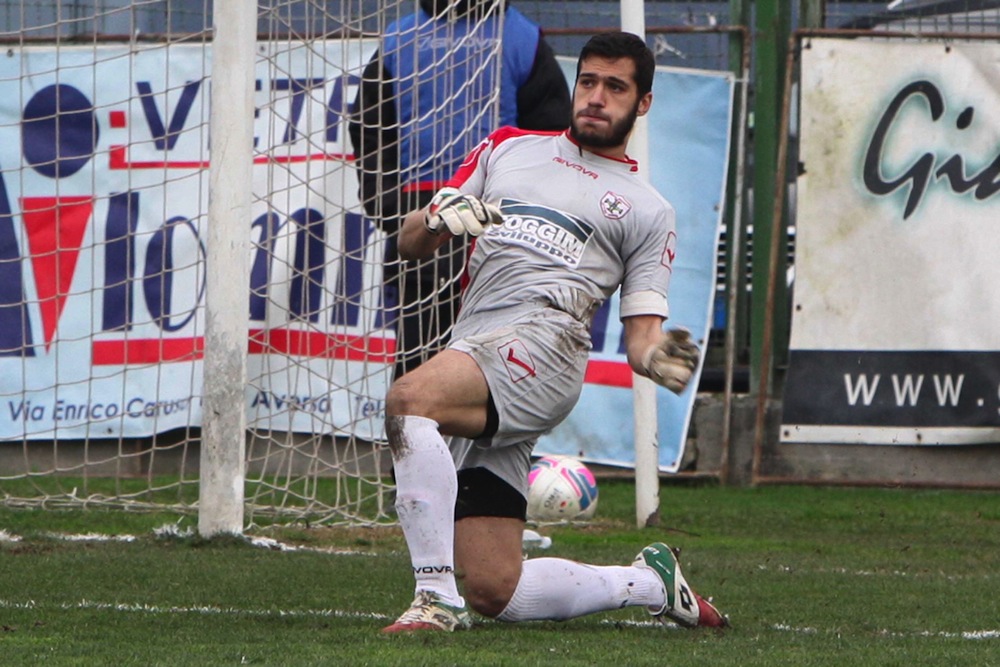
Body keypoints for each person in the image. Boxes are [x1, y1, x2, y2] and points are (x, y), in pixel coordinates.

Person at [379, 31, 728, 633]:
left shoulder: (648, 209)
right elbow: (409, 242)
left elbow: (643, 335)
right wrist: (437, 218)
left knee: (410, 400)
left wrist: (655, 356)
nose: (595, 97)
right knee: (496, 591)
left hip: (546, 346)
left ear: (642, 103)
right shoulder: (508, 148)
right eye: (588, 81)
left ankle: (433, 599)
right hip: (478, 341)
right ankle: (650, 583)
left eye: (615, 87)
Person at [348, 0, 570, 380]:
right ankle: (417, 439)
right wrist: (394, 215)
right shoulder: (398, 40)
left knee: (498, 377)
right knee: (421, 375)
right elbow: (370, 132)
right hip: (424, 228)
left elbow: (551, 139)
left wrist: (525, 219)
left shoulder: (521, 38)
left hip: (500, 232)